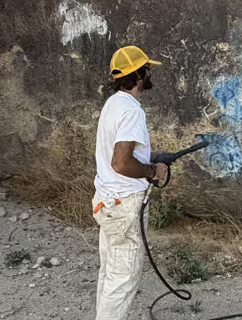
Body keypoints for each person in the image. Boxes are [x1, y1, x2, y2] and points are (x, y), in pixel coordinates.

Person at [91, 45, 169, 320]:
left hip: (107, 200)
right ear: (138, 76)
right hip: (124, 204)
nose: (149, 75)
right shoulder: (132, 111)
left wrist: (148, 159)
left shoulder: (113, 103)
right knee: (123, 279)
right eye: (146, 70)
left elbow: (120, 154)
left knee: (111, 273)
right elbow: (121, 163)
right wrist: (151, 171)